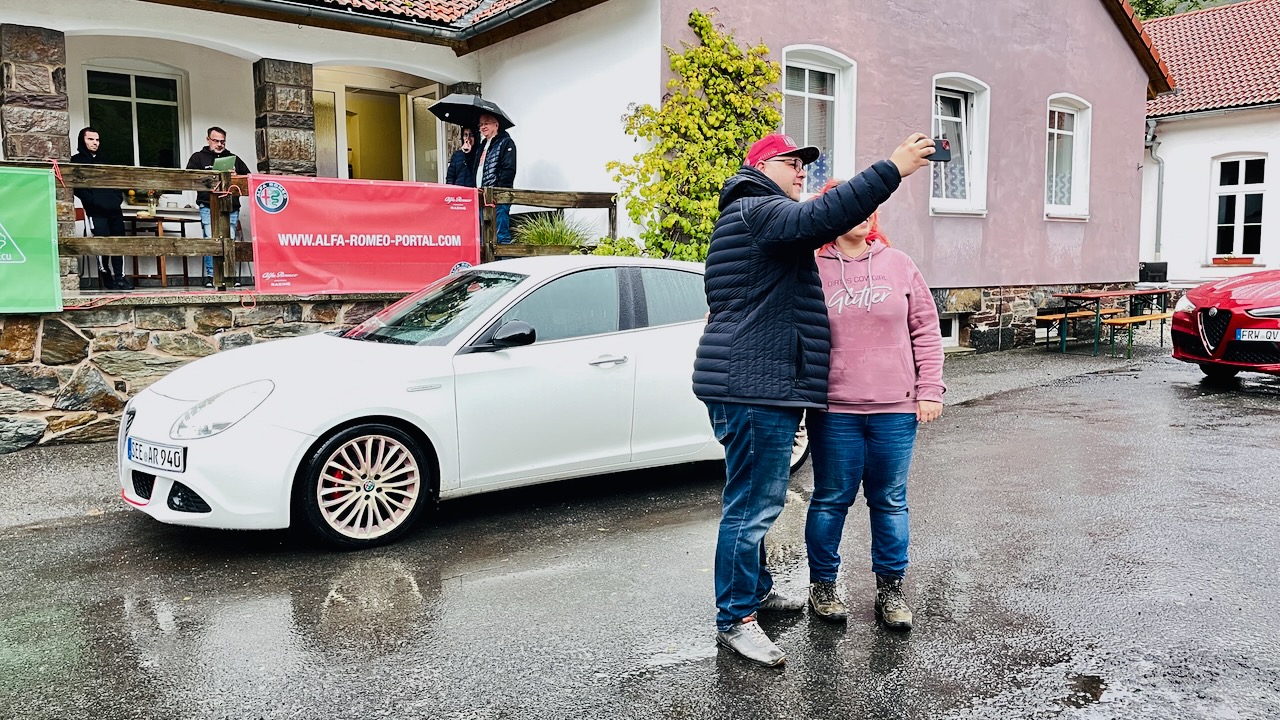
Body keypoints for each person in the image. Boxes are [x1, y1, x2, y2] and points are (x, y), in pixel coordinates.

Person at [693, 132, 933, 668]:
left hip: (760, 382)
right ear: (761, 166)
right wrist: (891, 169)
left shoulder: (756, 218)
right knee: (752, 508)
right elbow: (823, 217)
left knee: (756, 500)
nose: (803, 170)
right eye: (792, 162)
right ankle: (735, 617)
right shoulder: (758, 208)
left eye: (806, 162)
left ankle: (754, 592)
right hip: (754, 386)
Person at [805, 178, 945, 632]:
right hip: (834, 409)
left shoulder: (900, 265)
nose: (863, 214)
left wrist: (929, 389)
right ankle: (823, 586)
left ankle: (891, 590)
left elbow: (925, 329)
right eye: (852, 206)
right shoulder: (812, 268)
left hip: (895, 409)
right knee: (830, 500)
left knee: (889, 501)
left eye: (870, 207)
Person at [186, 126, 250, 287]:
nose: (220, 144)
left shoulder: (233, 157)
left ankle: (230, 275)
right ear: (208, 140)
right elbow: (188, 178)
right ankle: (211, 275)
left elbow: (248, 178)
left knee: (230, 239)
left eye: (222, 141)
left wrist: (236, 177)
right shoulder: (198, 158)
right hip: (208, 204)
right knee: (210, 239)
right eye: (216, 141)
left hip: (231, 206)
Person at [70, 127, 131, 290]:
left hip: (114, 209)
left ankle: (121, 277)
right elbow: (77, 186)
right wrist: (91, 200)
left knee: (119, 243)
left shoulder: (107, 159)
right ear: (82, 140)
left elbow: (117, 180)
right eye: (90, 139)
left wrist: (117, 198)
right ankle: (106, 275)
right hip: (95, 210)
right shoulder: (76, 161)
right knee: (101, 243)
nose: (95, 143)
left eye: (97, 140)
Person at [474, 113, 516, 244]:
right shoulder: (482, 146)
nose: (483, 127)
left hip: (497, 197)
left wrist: (497, 191)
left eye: (486, 123)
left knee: (500, 234)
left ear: (496, 125)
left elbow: (508, 170)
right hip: (482, 196)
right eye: (480, 124)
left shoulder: (505, 142)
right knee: (483, 236)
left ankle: (505, 264)